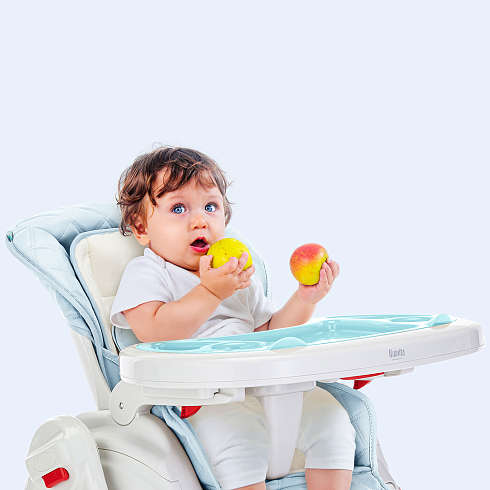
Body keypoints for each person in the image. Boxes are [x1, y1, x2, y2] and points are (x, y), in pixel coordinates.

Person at [110, 146, 356, 490]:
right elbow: (153, 330)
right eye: (178, 208)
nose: (200, 220)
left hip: (265, 382)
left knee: (332, 420)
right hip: (204, 395)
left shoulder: (237, 274)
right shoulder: (148, 271)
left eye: (210, 207)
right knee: (238, 442)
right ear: (141, 228)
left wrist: (304, 299)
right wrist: (209, 293)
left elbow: (270, 331)